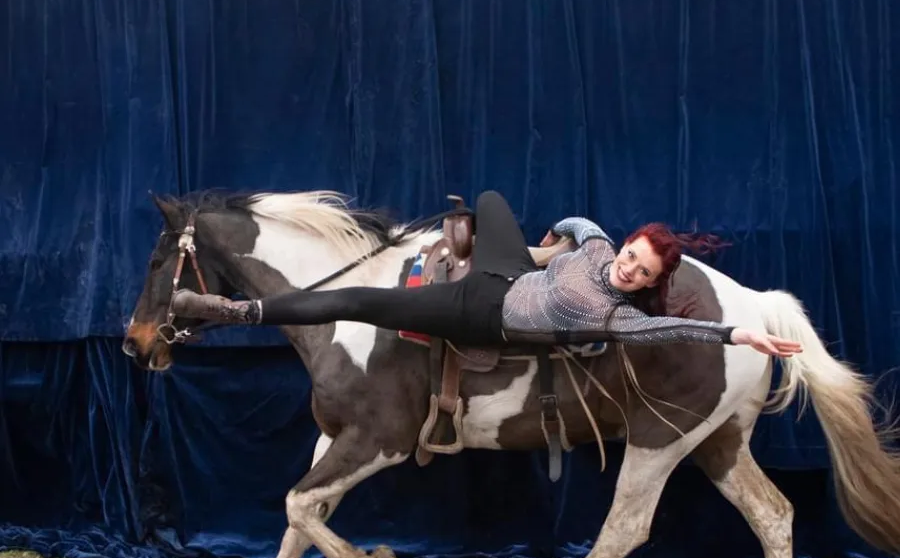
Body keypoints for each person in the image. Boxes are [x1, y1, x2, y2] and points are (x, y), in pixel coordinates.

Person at [170, 190, 802, 358]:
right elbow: (580, 223)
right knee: (491, 201)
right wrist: (554, 244)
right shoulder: (600, 244)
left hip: (482, 315)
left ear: (644, 286)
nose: (631, 269)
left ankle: (235, 312)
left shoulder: (616, 317)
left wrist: (737, 335)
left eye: (641, 274)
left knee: (358, 300)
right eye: (634, 255)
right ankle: (526, 254)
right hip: (502, 274)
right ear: (629, 242)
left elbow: (674, 329)